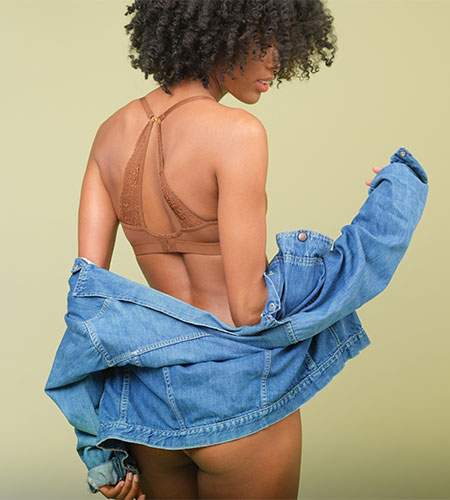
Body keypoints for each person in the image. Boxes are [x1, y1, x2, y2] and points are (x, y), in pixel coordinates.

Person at [73, 1, 383, 498]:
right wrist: (369, 232)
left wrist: (99, 444)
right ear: (220, 34)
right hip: (239, 394)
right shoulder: (238, 133)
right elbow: (247, 308)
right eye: (263, 41)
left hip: (150, 406)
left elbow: (88, 303)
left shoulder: (108, 135)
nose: (277, 60)